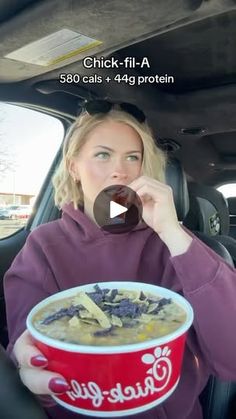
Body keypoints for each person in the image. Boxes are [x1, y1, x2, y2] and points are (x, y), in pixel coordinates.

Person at [3, 99, 236, 419]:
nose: (120, 170)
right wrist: (29, 370)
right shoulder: (44, 246)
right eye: (102, 154)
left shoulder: (175, 245)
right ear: (74, 166)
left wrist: (172, 231)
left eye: (133, 157)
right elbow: (28, 354)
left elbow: (231, 355)